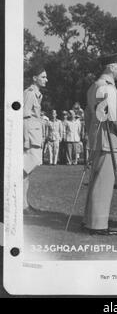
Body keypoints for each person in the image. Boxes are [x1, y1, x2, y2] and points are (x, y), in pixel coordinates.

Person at [83, 53, 117, 236]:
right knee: (104, 184)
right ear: (111, 67)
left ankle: (89, 220)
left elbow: (88, 116)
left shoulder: (93, 86)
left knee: (96, 181)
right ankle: (97, 225)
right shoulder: (108, 88)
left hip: (97, 139)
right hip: (108, 140)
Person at [23, 66, 48, 214]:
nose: (46, 80)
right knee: (24, 172)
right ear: (34, 78)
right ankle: (22, 205)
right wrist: (25, 140)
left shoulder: (37, 94)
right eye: (43, 77)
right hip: (30, 138)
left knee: (27, 172)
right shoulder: (30, 93)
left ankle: (24, 203)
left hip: (35, 137)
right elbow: (24, 117)